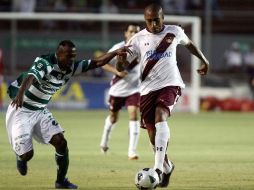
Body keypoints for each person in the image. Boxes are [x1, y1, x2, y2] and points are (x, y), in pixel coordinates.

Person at [5, 40, 131, 189]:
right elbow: (30, 76)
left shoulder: (71, 68)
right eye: (68, 56)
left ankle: (61, 181)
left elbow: (96, 62)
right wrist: (20, 93)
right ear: (58, 54)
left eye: (73, 56)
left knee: (61, 142)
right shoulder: (45, 62)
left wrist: (115, 53)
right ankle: (21, 157)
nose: (72, 60)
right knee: (27, 155)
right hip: (21, 109)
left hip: (40, 110)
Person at [117, 4, 209, 188]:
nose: (153, 24)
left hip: (170, 84)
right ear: (145, 21)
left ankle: (158, 168)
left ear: (163, 17)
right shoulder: (137, 39)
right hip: (147, 90)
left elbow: (190, 45)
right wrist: (120, 60)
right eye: (149, 21)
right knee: (152, 134)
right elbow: (121, 68)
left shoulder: (174, 31)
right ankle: (167, 166)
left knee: (161, 114)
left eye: (156, 20)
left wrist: (204, 60)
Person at [100, 23, 141, 160]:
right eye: (131, 31)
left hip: (134, 89)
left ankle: (132, 152)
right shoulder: (118, 48)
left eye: (136, 32)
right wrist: (116, 70)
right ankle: (104, 142)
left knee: (134, 115)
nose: (134, 34)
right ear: (126, 33)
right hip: (118, 89)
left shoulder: (144, 48)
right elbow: (103, 63)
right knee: (113, 117)